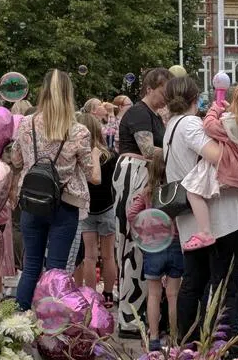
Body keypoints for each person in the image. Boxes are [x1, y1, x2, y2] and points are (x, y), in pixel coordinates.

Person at [162, 75, 238, 349]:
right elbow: (217, 155)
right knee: (226, 286)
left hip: (194, 218)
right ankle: (224, 345)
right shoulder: (189, 123)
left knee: (196, 282)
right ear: (194, 98)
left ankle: (188, 344)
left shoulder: (170, 126)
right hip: (219, 216)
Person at [12, 68, 98, 311]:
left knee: (30, 266)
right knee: (57, 270)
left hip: (32, 201)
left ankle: (20, 321)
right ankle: (51, 326)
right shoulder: (79, 131)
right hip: (65, 203)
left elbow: (17, 161)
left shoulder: (26, 124)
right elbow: (90, 171)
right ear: (69, 95)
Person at [179, 78, 238, 251]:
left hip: (229, 175)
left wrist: (214, 110)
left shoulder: (230, 126)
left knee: (192, 191)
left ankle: (205, 231)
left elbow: (208, 126)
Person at [112, 67, 171, 336]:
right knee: (130, 245)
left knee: (140, 246)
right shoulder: (138, 113)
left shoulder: (155, 116)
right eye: (163, 90)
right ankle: (128, 317)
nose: (166, 96)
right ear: (150, 89)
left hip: (142, 178)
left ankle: (137, 312)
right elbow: (148, 149)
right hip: (133, 176)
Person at [126, 150, 182, 350]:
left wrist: (145, 228)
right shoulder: (176, 189)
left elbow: (132, 214)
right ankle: (175, 338)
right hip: (175, 244)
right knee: (173, 295)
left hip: (154, 246)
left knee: (154, 295)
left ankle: (155, 337)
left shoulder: (148, 191)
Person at [77, 114, 119, 305]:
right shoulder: (109, 155)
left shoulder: (79, 155)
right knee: (109, 256)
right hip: (107, 207)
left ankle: (91, 297)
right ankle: (109, 294)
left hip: (86, 209)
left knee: (89, 256)